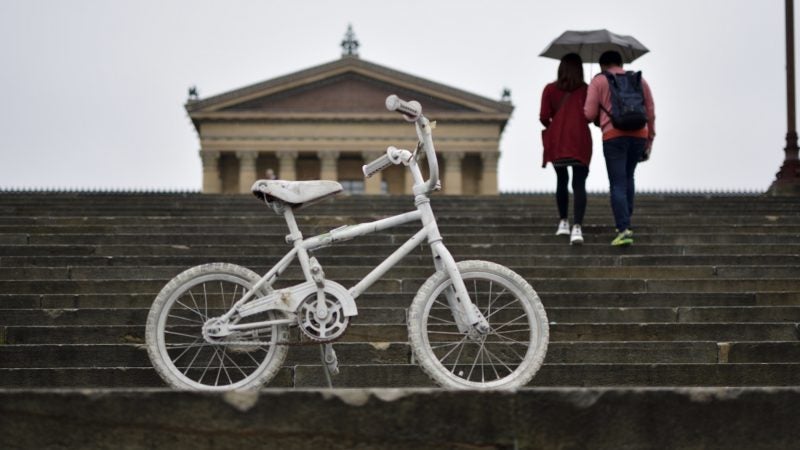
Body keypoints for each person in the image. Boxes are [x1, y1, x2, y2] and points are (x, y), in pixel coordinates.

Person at [584, 51, 656, 246]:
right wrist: (650, 140)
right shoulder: (639, 80)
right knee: (628, 177)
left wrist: (600, 112)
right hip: (639, 134)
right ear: (621, 62)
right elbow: (650, 112)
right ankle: (626, 222)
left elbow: (589, 114)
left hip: (613, 136)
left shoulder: (599, 81)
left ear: (601, 65)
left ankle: (623, 228)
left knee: (617, 182)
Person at [540, 53, 592, 245]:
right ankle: (577, 227)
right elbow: (591, 116)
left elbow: (544, 117)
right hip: (580, 140)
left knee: (561, 180)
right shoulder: (586, 89)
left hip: (558, 140)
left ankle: (563, 222)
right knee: (579, 184)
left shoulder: (550, 89)